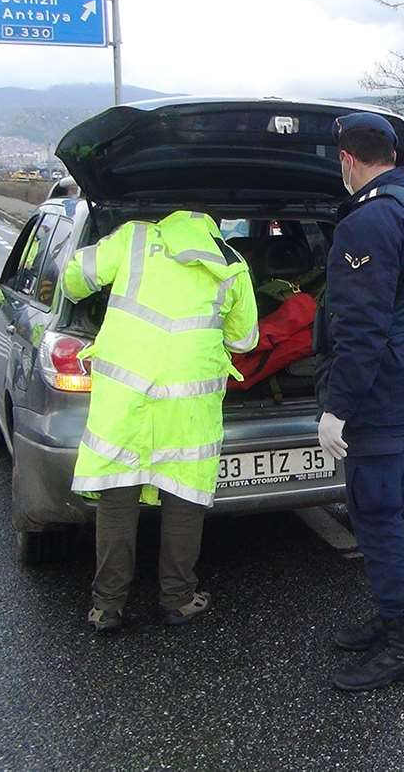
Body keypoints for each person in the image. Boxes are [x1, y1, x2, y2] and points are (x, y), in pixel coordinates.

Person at [62, 210, 258, 634]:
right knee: (183, 498)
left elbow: (75, 279)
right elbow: (245, 340)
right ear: (213, 228)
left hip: (126, 398)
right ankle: (178, 599)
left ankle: (106, 607)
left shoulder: (133, 238)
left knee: (118, 497)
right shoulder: (229, 263)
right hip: (189, 407)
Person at [314, 112, 404, 691]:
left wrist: (337, 407)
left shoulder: (366, 221)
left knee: (376, 515)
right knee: (401, 503)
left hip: (378, 391)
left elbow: (359, 326)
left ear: (348, 159)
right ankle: (401, 615)